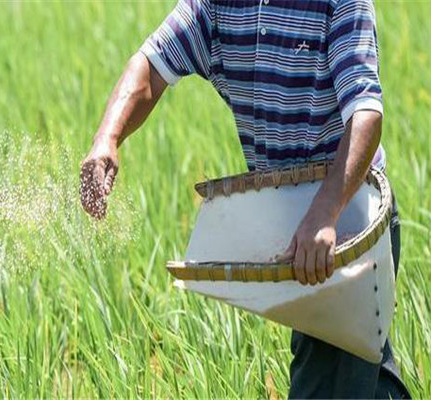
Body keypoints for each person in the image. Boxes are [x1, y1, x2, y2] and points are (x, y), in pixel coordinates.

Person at [79, 0, 411, 398]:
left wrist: (324, 213)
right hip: (295, 225)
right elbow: (151, 65)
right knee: (365, 379)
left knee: (329, 381)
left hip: (350, 224)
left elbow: (366, 114)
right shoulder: (217, 5)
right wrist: (107, 138)